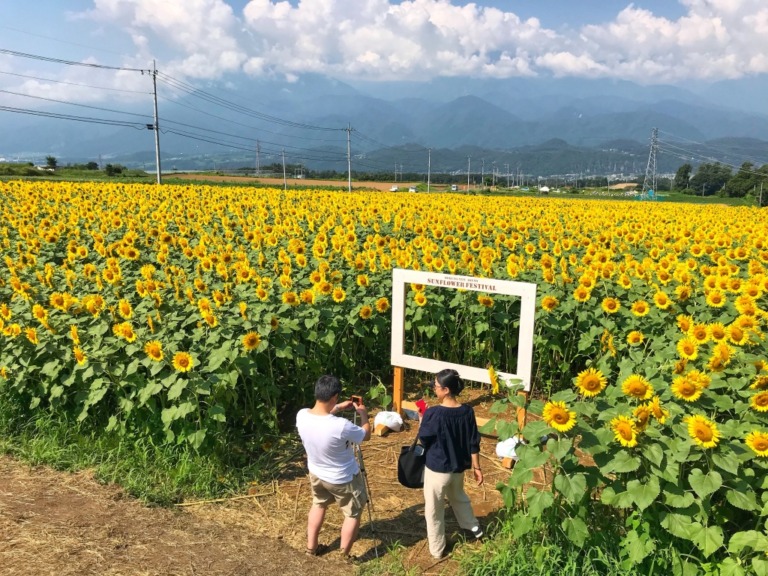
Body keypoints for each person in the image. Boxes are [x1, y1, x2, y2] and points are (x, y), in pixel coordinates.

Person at [296, 374, 371, 560]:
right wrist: (363, 414)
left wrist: (336, 408)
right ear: (334, 396)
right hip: (343, 478)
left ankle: (311, 548)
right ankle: (343, 556)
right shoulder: (341, 426)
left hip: (317, 473)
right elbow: (365, 435)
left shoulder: (302, 415)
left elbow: (322, 418)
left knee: (318, 504)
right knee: (352, 514)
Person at [417, 368, 484, 559]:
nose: (434, 389)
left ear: (446, 390)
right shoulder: (467, 412)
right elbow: (473, 442)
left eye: (436, 386)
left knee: (434, 510)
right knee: (458, 497)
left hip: (438, 469)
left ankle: (437, 549)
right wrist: (477, 468)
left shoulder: (434, 413)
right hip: (458, 467)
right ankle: (474, 527)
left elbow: (424, 439)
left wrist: (422, 418)